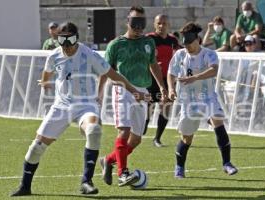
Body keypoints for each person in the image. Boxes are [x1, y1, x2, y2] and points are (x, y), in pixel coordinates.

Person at [11, 22, 148, 196]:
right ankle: (25, 186)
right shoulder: (54, 56)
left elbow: (114, 74)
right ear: (58, 40)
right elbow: (47, 72)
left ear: (77, 39)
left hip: (86, 106)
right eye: (63, 41)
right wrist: (45, 81)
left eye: (71, 41)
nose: (67, 47)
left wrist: (135, 91)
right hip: (61, 106)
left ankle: (86, 182)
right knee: (36, 148)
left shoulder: (89, 55)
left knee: (94, 130)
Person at [98, 6, 167, 187]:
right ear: (127, 22)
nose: (138, 26)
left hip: (143, 91)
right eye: (135, 22)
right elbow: (105, 70)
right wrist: (99, 93)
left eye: (141, 22)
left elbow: (153, 65)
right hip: (122, 90)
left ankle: (108, 160)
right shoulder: (115, 44)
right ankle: (123, 173)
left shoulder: (149, 42)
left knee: (136, 139)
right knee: (124, 130)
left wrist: (162, 86)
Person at [167, 22, 238, 178]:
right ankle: (179, 167)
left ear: (197, 40)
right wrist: (171, 89)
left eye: (190, 43)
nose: (187, 47)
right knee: (186, 138)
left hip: (207, 97)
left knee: (218, 121)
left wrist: (195, 78)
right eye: (185, 44)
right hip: (188, 101)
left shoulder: (209, 54)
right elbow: (171, 72)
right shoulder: (180, 54)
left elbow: (213, 70)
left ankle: (227, 163)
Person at [144, 14, 180, 147]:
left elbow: (178, 56)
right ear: (154, 24)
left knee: (166, 107)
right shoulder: (149, 38)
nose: (161, 26)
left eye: (164, 23)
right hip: (151, 79)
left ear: (168, 25)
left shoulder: (173, 40)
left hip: (168, 79)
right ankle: (143, 127)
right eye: (159, 23)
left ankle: (157, 138)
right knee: (148, 107)